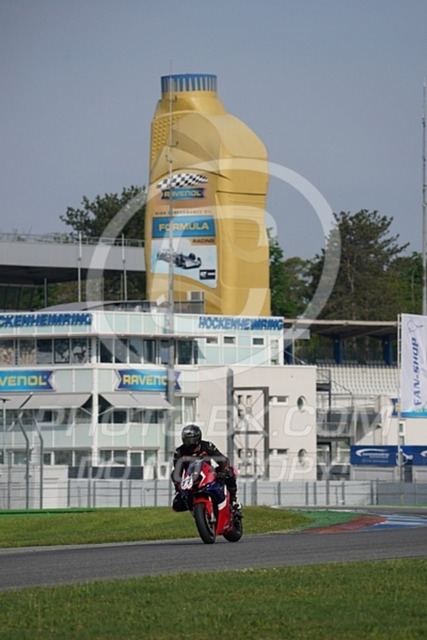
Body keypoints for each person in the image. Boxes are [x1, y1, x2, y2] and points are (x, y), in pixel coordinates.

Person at [171, 424, 240, 512]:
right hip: (191, 479)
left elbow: (222, 459)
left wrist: (223, 471)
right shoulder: (179, 452)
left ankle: (234, 500)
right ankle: (194, 507)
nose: (190, 443)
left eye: (192, 440)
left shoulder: (207, 446)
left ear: (198, 438)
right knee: (177, 504)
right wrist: (179, 485)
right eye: (187, 440)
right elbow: (177, 472)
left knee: (230, 472)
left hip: (209, 474)